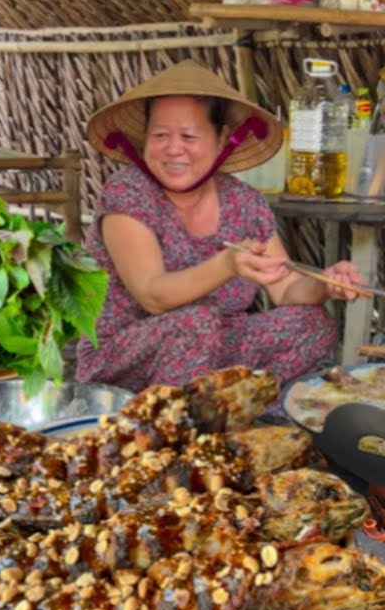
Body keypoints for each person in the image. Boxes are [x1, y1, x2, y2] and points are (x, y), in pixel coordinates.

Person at [75, 60, 364, 393]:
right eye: (160, 136)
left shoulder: (245, 204)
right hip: (123, 360)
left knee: (313, 323)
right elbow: (152, 295)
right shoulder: (129, 192)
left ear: (222, 138)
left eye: (188, 136)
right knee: (197, 322)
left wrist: (325, 284)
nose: (173, 149)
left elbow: (285, 290)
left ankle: (235, 407)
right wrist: (227, 264)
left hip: (214, 355)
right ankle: (170, 423)